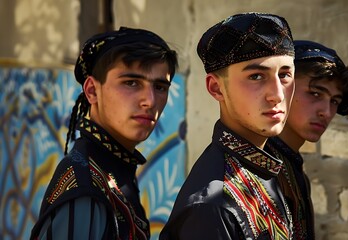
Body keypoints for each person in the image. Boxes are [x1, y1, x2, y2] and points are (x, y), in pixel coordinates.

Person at [30, 27, 178, 240]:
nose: (150, 101)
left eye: (160, 87)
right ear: (92, 91)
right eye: (131, 83)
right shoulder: (86, 189)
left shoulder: (115, 167)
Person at [160, 12, 296, 239]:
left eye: (284, 75)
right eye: (256, 76)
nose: (277, 94)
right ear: (216, 88)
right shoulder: (211, 206)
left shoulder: (268, 166)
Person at [268, 40, 348, 239]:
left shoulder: (292, 169)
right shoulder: (253, 170)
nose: (327, 112)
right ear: (283, 89)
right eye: (315, 93)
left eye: (334, 101)